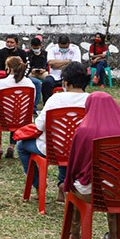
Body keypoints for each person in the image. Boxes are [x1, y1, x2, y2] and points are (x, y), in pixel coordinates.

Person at [63, 92, 120, 239]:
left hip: (92, 192)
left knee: (78, 187)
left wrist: (68, 182)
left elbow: (75, 164)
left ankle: (75, 236)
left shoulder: (84, 130)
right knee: (114, 180)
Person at [17, 62, 89, 195]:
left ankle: (39, 185)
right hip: (80, 151)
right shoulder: (91, 100)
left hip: (53, 149)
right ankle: (63, 183)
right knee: (69, 144)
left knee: (21, 146)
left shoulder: (56, 99)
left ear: (65, 82)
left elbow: (39, 125)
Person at [0, 56, 35, 159]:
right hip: (23, 119)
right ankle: (12, 146)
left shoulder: (0, 84)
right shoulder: (30, 84)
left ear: (8, 68)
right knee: (17, 112)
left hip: (1, 119)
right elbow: (32, 102)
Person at [26, 35, 48, 112]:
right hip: (32, 72)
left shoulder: (45, 53)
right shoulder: (28, 54)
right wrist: (32, 69)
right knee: (28, 79)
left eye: (37, 47)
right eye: (34, 48)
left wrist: (44, 69)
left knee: (48, 79)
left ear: (40, 46)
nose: (36, 49)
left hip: (42, 72)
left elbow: (46, 63)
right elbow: (27, 64)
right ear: (31, 46)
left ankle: (46, 98)